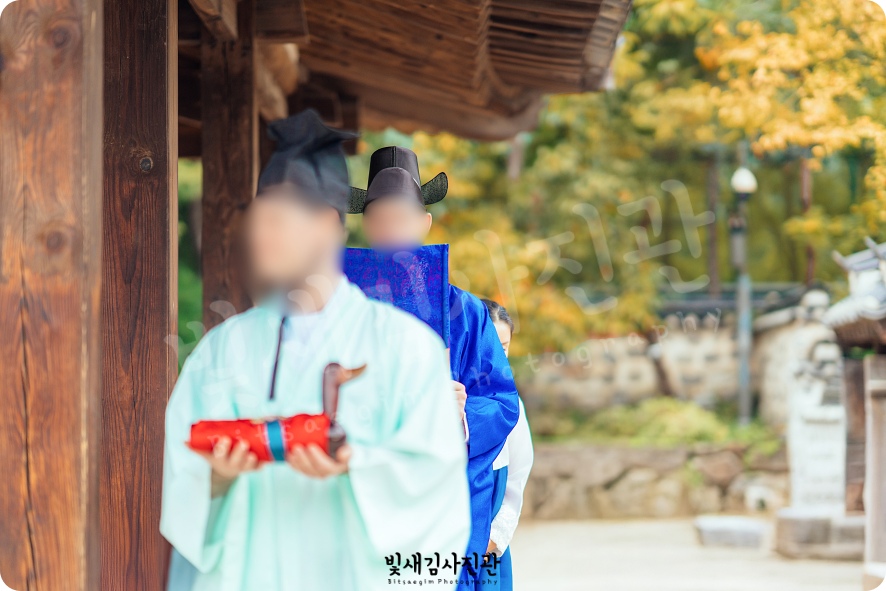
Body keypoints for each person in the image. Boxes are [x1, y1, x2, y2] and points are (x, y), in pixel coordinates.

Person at [161, 111, 471, 591]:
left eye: (277, 219)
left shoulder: (406, 347)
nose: (259, 235)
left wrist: (357, 465)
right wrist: (216, 479)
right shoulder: (221, 350)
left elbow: (436, 487)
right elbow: (182, 476)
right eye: (257, 218)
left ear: (327, 224)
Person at [350, 146, 520, 590]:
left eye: (402, 217)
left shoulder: (465, 312)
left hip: (439, 494)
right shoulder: (340, 308)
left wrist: (457, 417)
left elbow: (501, 401)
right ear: (365, 225)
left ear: (424, 223)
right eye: (380, 218)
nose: (391, 230)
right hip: (362, 487)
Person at [481, 299, 533, 591]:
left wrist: (492, 541)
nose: (495, 357)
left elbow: (516, 479)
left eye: (503, 348)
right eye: (487, 346)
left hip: (487, 549)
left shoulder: (509, 405)